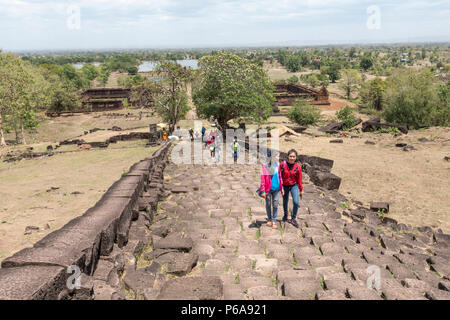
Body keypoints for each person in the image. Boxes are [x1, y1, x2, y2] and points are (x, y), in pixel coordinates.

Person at [260, 150, 284, 229]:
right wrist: (263, 191)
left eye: (278, 156)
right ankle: (269, 219)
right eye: (277, 156)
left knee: (275, 204)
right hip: (268, 189)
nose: (278, 158)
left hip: (276, 189)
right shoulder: (265, 166)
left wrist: (282, 187)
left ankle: (274, 220)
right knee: (268, 204)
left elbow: (280, 177)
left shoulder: (278, 165)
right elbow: (263, 179)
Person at [280, 149, 303, 228]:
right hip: (285, 186)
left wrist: (301, 190)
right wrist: (281, 187)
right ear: (288, 156)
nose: (292, 158)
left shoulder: (298, 167)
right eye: (290, 156)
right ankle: (285, 215)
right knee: (285, 201)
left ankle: (293, 218)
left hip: (294, 186)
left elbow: (299, 179)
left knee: (296, 202)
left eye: (293, 156)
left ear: (296, 157)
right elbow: (279, 177)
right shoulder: (282, 164)